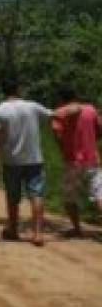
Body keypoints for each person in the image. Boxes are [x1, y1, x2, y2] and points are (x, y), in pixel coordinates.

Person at [0, 82, 53, 247]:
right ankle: (38, 234)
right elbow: (52, 116)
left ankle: (13, 230)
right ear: (19, 90)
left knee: (12, 197)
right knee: (36, 195)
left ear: (4, 92)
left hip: (11, 160)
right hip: (34, 159)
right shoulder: (33, 106)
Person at [51, 89, 102, 238]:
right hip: (93, 159)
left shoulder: (59, 113)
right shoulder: (91, 110)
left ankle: (77, 229)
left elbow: (57, 134)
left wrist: (62, 148)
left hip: (72, 160)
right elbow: (99, 129)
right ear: (76, 97)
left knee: (70, 197)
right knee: (99, 194)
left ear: (62, 99)